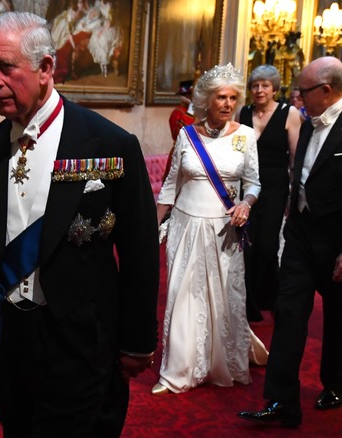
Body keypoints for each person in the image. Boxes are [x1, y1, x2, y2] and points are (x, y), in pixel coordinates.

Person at [0, 12, 159, 436]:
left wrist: (138, 340)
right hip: (7, 342)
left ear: (46, 68)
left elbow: (140, 250)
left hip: (80, 341)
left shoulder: (109, 145)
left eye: (6, 67)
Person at [238, 56, 342, 428]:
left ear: (326, 91)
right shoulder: (310, 123)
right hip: (300, 234)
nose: (297, 98)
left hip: (336, 240)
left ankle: (335, 383)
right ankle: (282, 400)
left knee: (336, 319)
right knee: (289, 311)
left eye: (304, 91)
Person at [153, 63, 262, 395]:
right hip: (186, 225)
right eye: (220, 97)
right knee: (183, 295)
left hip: (224, 229)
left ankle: (221, 363)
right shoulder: (187, 134)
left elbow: (254, 183)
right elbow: (170, 186)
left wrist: (246, 203)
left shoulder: (245, 136)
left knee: (223, 297)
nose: (227, 104)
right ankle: (177, 371)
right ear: (206, 100)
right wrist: (154, 226)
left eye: (232, 97)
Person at [238, 65, 301, 322]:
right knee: (246, 245)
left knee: (267, 245)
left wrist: (294, 195)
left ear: (275, 88)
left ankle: (269, 296)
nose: (259, 90)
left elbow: (295, 159)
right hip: (246, 186)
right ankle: (247, 301)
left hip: (275, 187)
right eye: (255, 85)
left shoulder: (290, 113)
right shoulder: (243, 112)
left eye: (265, 85)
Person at [164, 79, 196, 181]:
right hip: (179, 154)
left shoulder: (198, 113)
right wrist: (190, 112)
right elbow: (179, 134)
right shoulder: (177, 113)